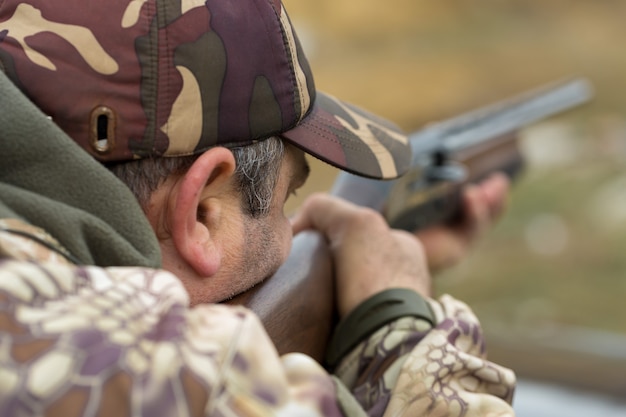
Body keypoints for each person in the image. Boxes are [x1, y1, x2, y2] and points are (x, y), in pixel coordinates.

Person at [0, 0, 516, 416]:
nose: (292, 227)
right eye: (285, 201)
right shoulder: (163, 377)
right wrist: (395, 323)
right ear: (202, 212)